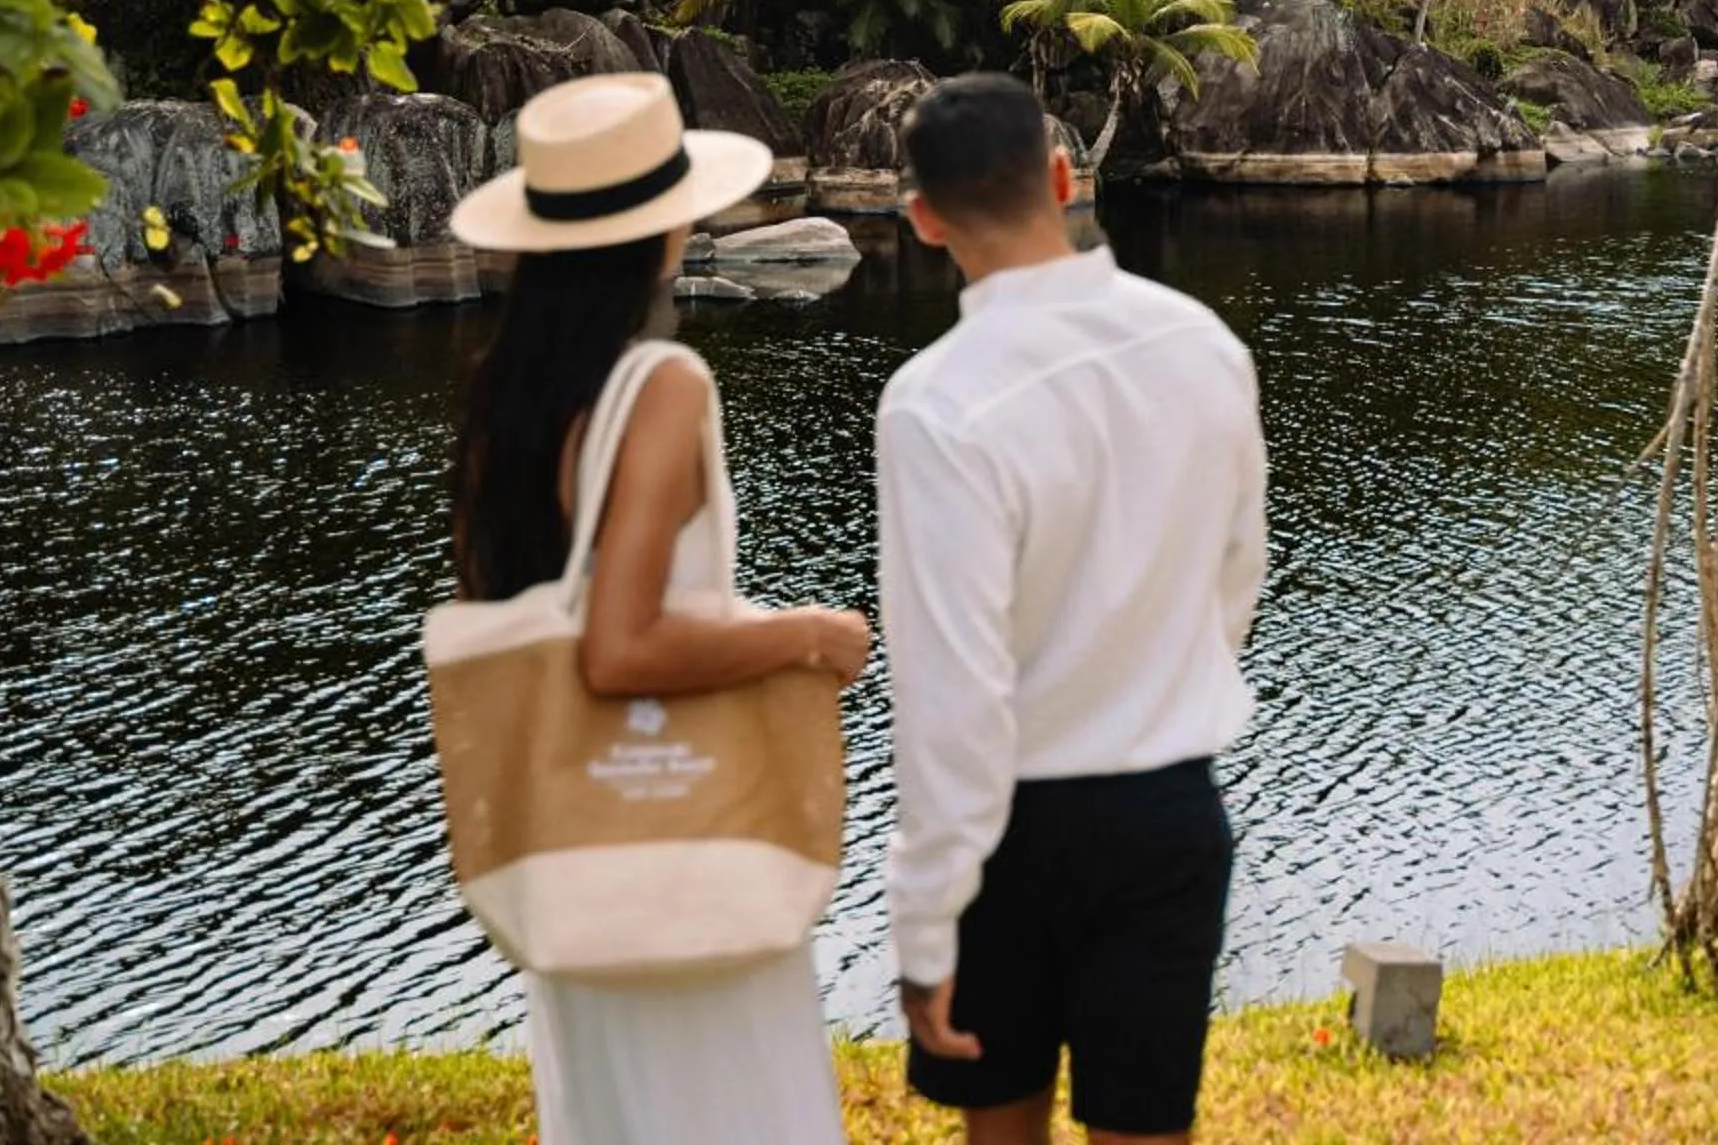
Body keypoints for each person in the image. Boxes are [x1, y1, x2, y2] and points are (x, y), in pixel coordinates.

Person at [446, 72, 871, 1145]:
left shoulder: (501, 397)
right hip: (688, 833)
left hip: (579, 848)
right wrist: (812, 633)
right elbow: (622, 643)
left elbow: (522, 610)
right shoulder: (664, 385)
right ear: (664, 230)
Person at [877, 74, 1269, 1145]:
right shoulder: (1205, 345)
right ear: (1064, 176)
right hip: (1169, 814)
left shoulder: (935, 400)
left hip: (1009, 834)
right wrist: (1150, 674)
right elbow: (1237, 574)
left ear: (921, 216)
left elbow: (950, 691)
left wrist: (923, 926)